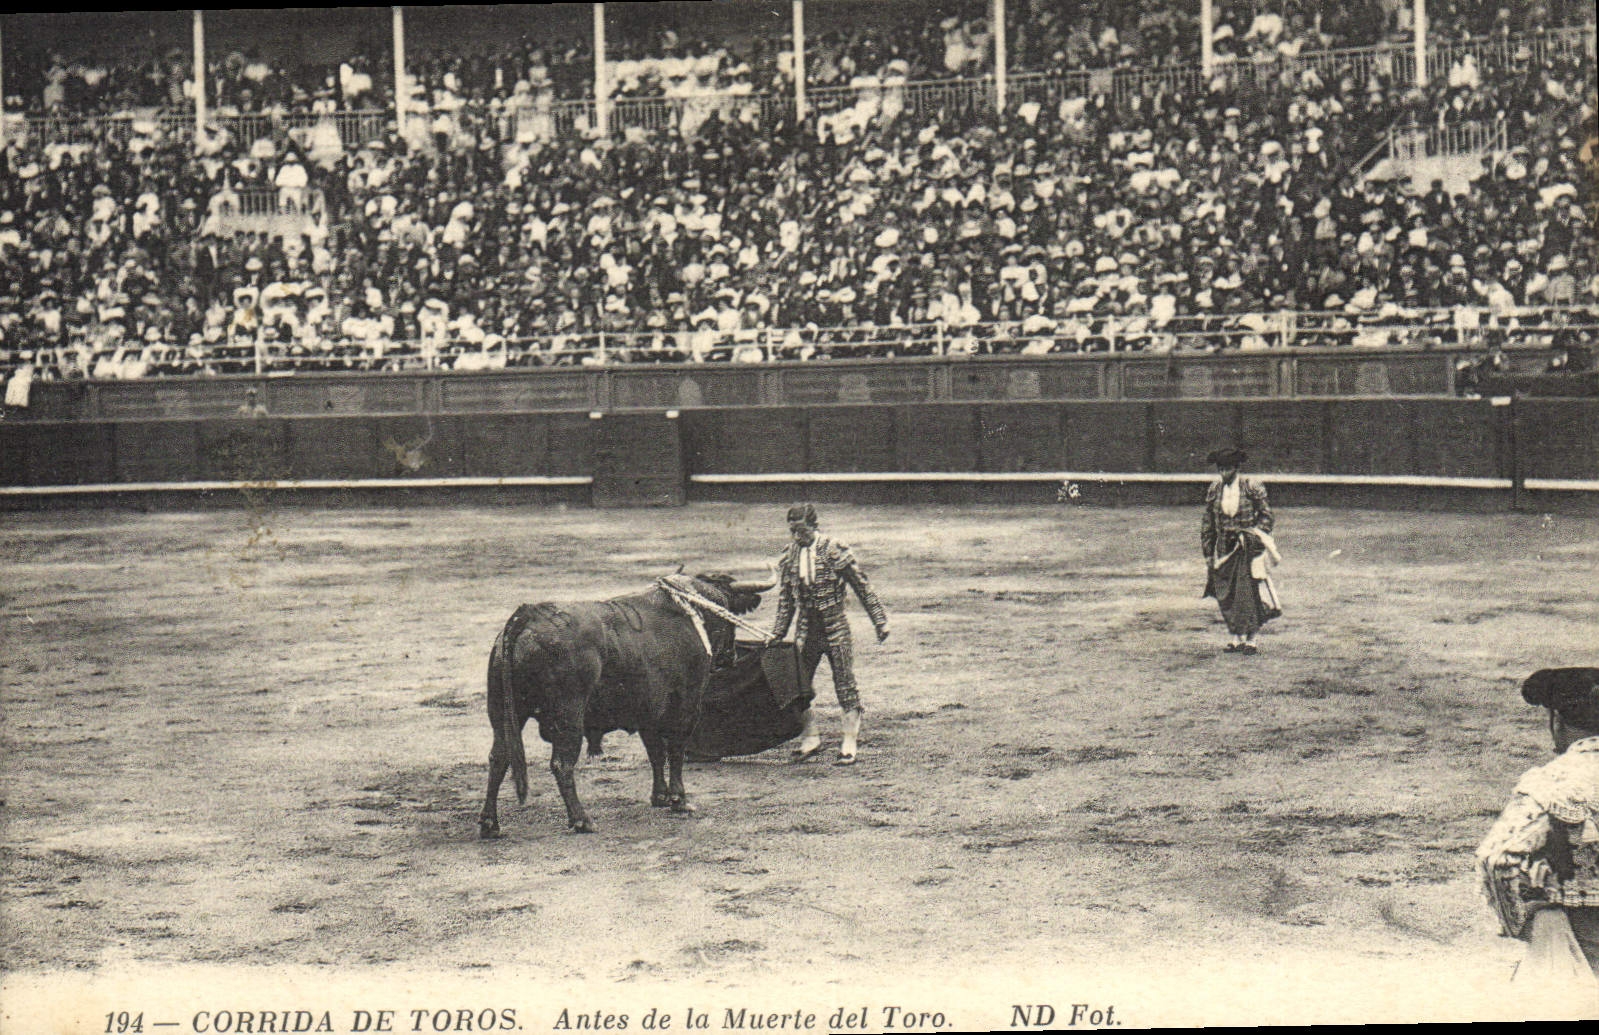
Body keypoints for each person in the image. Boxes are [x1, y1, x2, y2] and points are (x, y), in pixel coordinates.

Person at [1477, 668, 1599, 1005]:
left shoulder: (1552, 783)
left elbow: (1498, 860)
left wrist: (1526, 921)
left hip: (1581, 939)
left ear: (1557, 721)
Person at [769, 503, 889, 765]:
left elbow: (861, 586)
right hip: (806, 630)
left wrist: (880, 621)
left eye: (801, 530)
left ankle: (849, 743)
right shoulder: (789, 556)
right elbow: (786, 600)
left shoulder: (833, 550)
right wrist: (777, 634)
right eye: (792, 531)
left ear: (813, 526)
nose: (796, 536)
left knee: (844, 683)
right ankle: (811, 737)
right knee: (798, 685)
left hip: (835, 627)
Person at [1200, 448, 1280, 655]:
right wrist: (1208, 552)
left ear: (1236, 468)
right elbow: (1208, 523)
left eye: (1227, 469)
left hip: (1246, 547)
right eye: (1220, 469)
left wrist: (1253, 536)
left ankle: (1251, 639)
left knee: (1247, 593)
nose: (1223, 473)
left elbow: (1266, 516)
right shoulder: (1215, 489)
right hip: (1224, 548)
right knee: (1227, 593)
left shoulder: (1251, 487)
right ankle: (1236, 637)